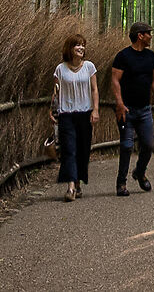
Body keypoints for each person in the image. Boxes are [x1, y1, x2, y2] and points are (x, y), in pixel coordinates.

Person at [108, 20, 154, 196]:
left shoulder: (150, 56)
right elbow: (115, 80)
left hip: (145, 109)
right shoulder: (123, 56)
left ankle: (140, 172)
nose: (151, 36)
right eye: (148, 33)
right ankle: (121, 183)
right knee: (126, 146)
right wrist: (119, 103)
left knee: (148, 145)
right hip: (127, 109)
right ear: (140, 36)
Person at [52, 36, 99, 200]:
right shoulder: (60, 69)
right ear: (70, 48)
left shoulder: (89, 67)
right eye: (77, 45)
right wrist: (52, 110)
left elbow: (94, 89)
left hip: (85, 113)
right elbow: (56, 91)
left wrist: (95, 110)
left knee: (83, 150)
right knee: (69, 149)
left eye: (83, 45)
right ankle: (71, 187)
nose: (81, 48)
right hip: (66, 114)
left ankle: (78, 182)